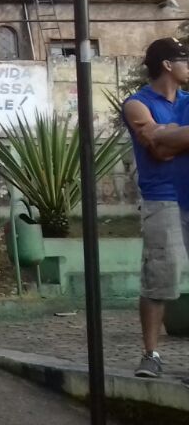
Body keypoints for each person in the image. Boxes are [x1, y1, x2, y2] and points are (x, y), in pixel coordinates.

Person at [121, 37, 189, 378]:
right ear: (167, 65)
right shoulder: (137, 104)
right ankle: (151, 354)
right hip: (161, 197)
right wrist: (171, 139)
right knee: (159, 278)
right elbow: (157, 150)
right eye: (184, 60)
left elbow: (165, 143)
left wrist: (171, 135)